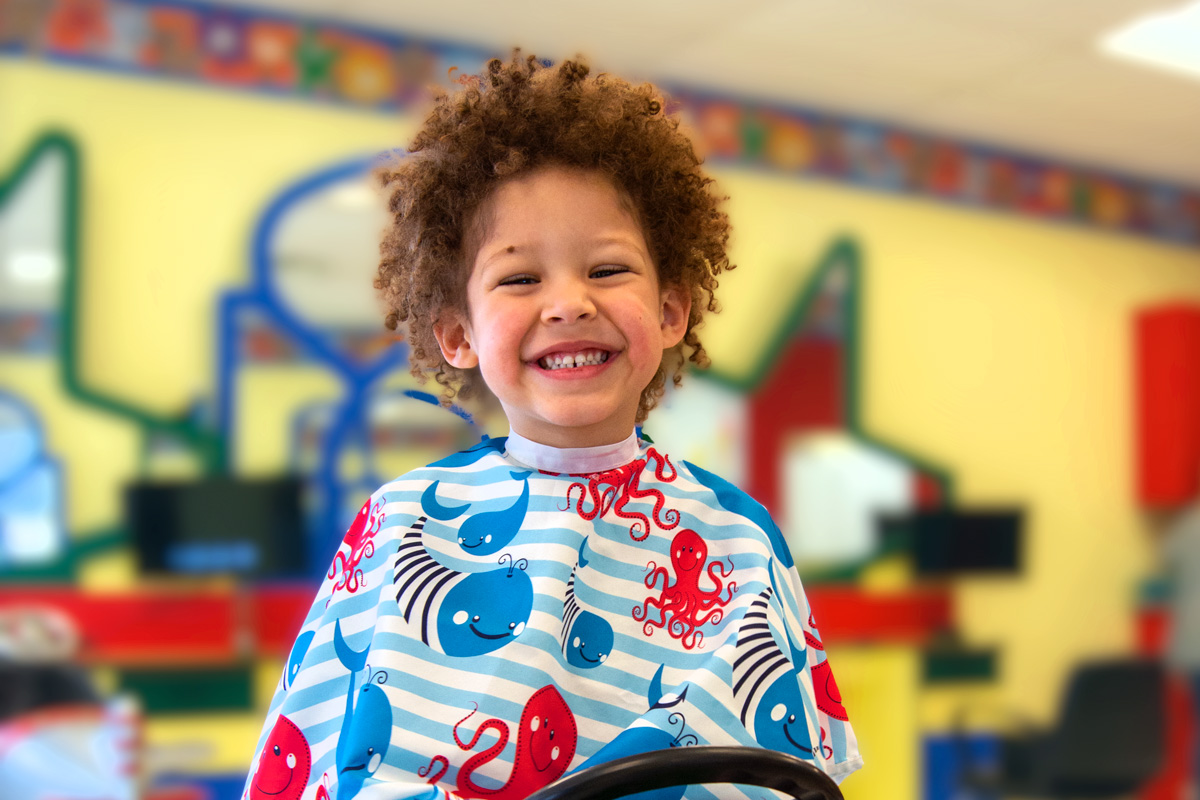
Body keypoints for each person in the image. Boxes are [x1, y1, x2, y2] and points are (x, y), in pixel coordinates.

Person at [243, 53, 863, 800]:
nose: (568, 303)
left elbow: (787, 775)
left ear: (670, 312)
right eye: (519, 278)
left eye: (606, 270)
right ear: (458, 336)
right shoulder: (399, 525)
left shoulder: (740, 540)